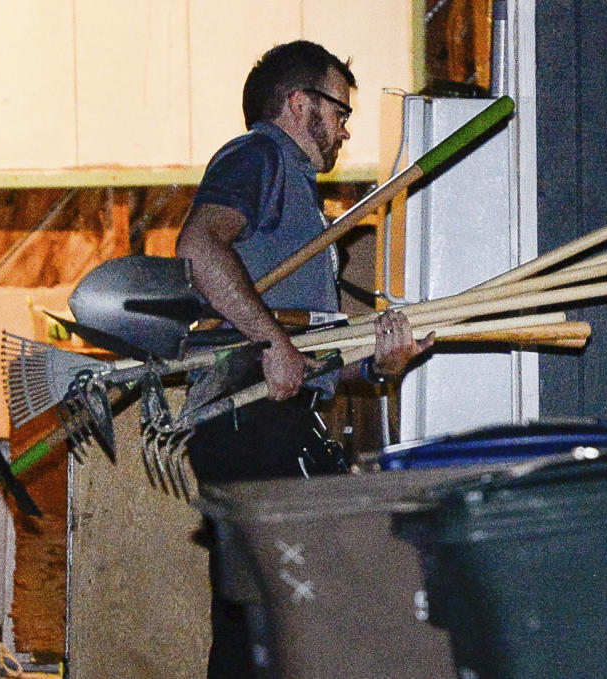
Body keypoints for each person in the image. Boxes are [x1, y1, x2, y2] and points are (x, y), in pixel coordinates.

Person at [175, 40, 434, 675]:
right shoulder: (258, 154)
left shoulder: (300, 200)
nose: (346, 129)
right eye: (339, 109)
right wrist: (269, 343)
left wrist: (377, 364)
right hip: (246, 416)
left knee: (266, 620)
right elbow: (199, 245)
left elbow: (308, 351)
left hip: (275, 415)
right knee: (290, 608)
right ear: (298, 103)